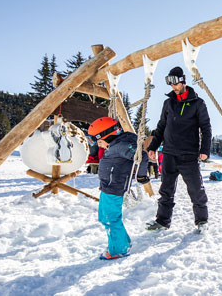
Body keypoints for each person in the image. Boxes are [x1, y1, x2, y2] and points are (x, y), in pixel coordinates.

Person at [146, 66, 212, 233]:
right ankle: (162, 221)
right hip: (168, 153)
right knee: (165, 190)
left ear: (183, 81)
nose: (173, 87)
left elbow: (206, 128)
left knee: (196, 189)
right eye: (170, 83)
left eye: (175, 83)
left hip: (189, 154)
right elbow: (161, 127)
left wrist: (205, 150)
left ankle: (202, 221)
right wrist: (153, 146)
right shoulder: (168, 103)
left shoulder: (198, 103)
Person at [87, 117, 149, 260]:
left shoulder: (121, 146)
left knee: (111, 219)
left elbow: (142, 157)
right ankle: (124, 242)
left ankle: (118, 250)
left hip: (114, 188)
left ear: (108, 136)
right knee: (104, 216)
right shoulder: (115, 144)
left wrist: (141, 176)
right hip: (107, 187)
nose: (99, 145)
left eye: (99, 141)